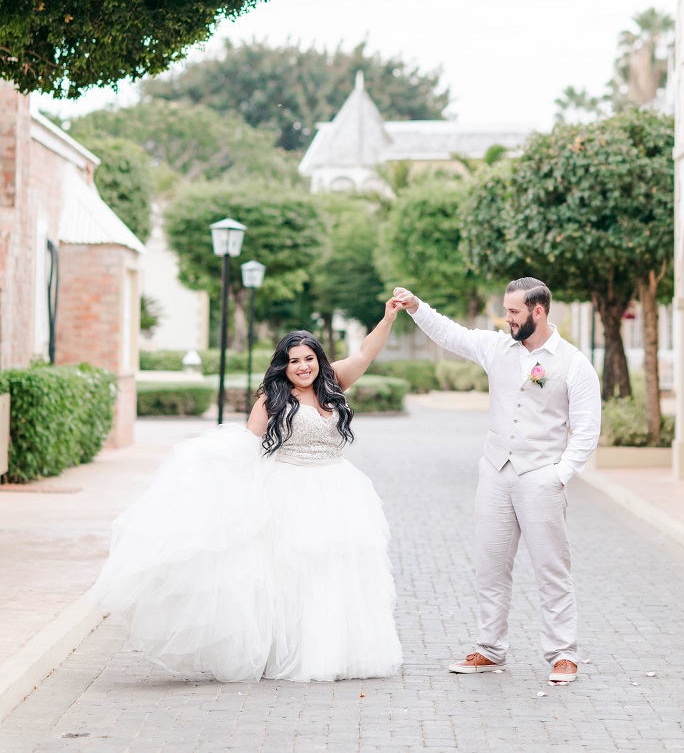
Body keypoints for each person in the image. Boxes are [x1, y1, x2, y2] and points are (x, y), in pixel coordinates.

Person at [93, 298, 406, 683]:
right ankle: (288, 651)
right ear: (283, 366)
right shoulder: (272, 399)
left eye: (309, 358)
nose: (303, 366)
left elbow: (365, 350)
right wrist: (207, 469)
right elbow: (245, 446)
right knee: (294, 575)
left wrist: (389, 317)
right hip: (290, 490)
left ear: (319, 361)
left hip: (339, 490)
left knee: (338, 570)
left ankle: (333, 650)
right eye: (294, 361)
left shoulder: (334, 383)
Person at [393, 277, 600, 686]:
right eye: (507, 311)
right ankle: (490, 650)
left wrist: (557, 476)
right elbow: (451, 334)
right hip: (495, 474)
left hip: (540, 477)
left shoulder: (574, 363)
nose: (507, 318)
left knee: (551, 569)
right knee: (490, 567)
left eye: (514, 312)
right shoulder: (495, 348)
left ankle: (563, 654)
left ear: (538, 311)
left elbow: (588, 429)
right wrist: (417, 306)